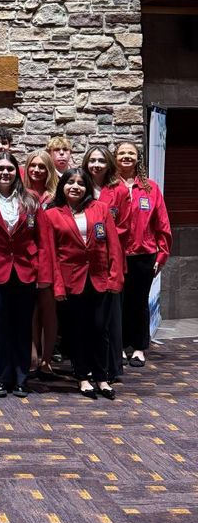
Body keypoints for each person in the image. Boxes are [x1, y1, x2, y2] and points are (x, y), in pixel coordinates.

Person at [0, 152, 51, 398]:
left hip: (25, 270)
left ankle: (21, 377)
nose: (5, 173)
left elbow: (42, 240)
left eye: (10, 169)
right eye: (0, 168)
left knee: (22, 327)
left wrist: (43, 274)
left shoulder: (31, 199)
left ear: (17, 172)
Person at [44, 169, 124, 400]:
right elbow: (51, 254)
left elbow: (114, 247)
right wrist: (57, 287)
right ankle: (82, 377)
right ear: (62, 186)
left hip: (100, 279)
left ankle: (102, 377)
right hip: (71, 282)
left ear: (87, 187)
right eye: (70, 182)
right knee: (77, 332)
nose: (75, 187)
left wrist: (115, 277)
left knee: (100, 329)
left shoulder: (100, 209)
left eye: (80, 183)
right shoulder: (52, 214)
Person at [114, 141, 171, 367]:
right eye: (122, 153)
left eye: (131, 153)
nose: (126, 156)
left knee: (139, 302)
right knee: (116, 303)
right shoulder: (109, 187)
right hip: (115, 256)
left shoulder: (151, 188)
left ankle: (138, 347)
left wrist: (160, 257)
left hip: (143, 255)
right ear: (115, 157)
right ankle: (117, 346)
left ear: (138, 159)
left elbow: (162, 225)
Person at [82, 145, 131, 381]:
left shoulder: (119, 190)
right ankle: (89, 366)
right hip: (83, 264)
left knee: (111, 319)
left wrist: (102, 236)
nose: (96, 165)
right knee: (90, 320)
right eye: (92, 161)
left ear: (109, 164)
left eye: (101, 161)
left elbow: (124, 225)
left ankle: (112, 368)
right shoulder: (80, 185)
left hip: (110, 259)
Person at [23, 149, 59, 378]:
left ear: (49, 170)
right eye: (32, 166)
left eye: (42, 167)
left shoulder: (57, 195)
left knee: (49, 310)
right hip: (29, 257)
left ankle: (47, 359)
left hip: (57, 257)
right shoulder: (21, 194)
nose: (36, 170)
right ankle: (32, 355)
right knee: (30, 310)